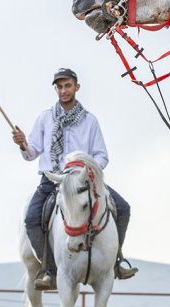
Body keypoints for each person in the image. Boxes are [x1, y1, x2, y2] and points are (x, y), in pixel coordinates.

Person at [12, 68, 138, 291]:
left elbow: (101, 155)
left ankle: (117, 260)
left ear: (76, 87)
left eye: (67, 86)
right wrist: (23, 143)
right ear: (55, 89)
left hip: (83, 181)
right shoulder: (45, 118)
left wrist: (88, 171)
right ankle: (49, 269)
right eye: (59, 87)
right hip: (52, 180)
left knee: (123, 208)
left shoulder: (90, 121)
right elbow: (32, 152)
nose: (63, 91)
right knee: (31, 219)